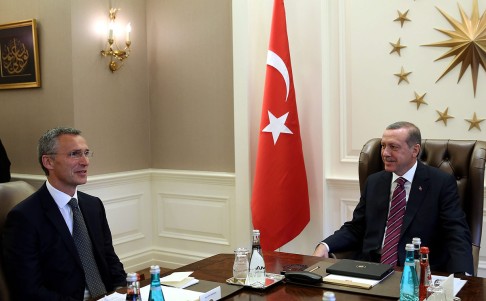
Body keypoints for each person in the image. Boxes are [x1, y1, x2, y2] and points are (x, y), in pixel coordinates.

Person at [313, 121, 473, 275]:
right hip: (370, 269)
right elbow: (356, 227)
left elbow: (456, 232)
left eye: (393, 147)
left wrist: (463, 276)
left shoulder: (440, 183)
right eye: (383, 146)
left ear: (415, 150)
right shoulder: (375, 182)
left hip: (415, 272)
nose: (385, 153)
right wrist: (325, 245)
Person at [2, 127, 126, 300]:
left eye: (86, 153)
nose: (85, 162)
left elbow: (110, 260)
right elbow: (28, 289)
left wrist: (122, 291)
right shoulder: (24, 217)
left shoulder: (93, 205)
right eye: (75, 154)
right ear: (48, 162)